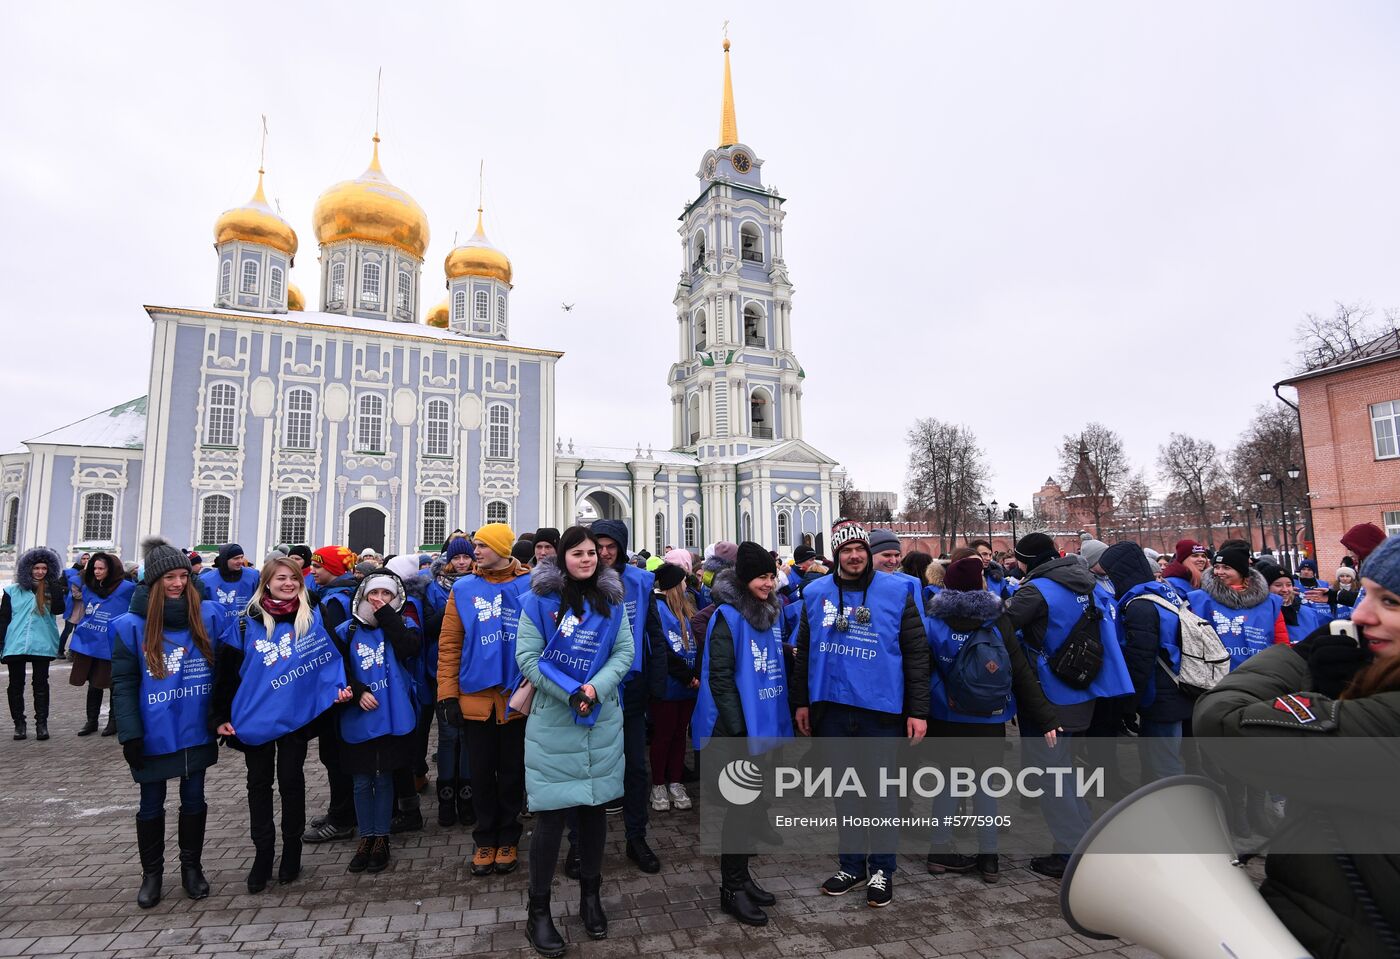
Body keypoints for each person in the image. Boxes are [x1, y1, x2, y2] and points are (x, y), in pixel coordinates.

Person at [1192, 534, 1400, 958]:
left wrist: (1301, 656)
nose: (1359, 614)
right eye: (1366, 594)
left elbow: (1220, 720)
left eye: (1390, 602)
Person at [792, 519, 930, 907]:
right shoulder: (815, 592)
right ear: (836, 554)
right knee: (845, 792)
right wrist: (801, 702)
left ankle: (882, 868)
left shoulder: (897, 590)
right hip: (833, 708)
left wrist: (918, 710)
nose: (853, 556)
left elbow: (917, 654)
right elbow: (804, 652)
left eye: (859, 549)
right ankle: (851, 865)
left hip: (881, 710)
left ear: (868, 552)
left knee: (882, 794)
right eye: (845, 550)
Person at [515, 526, 634, 956]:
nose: (587, 559)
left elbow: (624, 654)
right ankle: (539, 912)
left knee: (594, 811)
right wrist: (568, 691)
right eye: (578, 553)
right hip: (555, 721)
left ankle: (590, 896)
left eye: (593, 554)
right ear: (562, 557)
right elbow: (528, 658)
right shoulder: (539, 603)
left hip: (599, 718)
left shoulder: (612, 603)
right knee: (550, 818)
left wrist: (594, 690)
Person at [212, 557, 350, 891]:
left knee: (291, 781)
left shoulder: (313, 618)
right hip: (254, 717)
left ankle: (291, 852)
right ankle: (263, 855)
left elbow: (333, 658)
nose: (288, 584)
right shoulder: (246, 622)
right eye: (280, 579)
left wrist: (341, 688)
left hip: (295, 716)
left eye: (293, 579)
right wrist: (219, 717)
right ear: (266, 583)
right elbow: (226, 675)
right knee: (258, 785)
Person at [1002, 532, 1134, 879]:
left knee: (1052, 777)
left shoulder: (1035, 590)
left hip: (1049, 695)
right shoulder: (1089, 584)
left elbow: (1002, 627)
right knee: (1069, 771)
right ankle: (1087, 839)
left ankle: (1070, 852)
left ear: (1026, 561)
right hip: (1085, 687)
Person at [923, 556, 1058, 884]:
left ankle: (940, 851)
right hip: (989, 717)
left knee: (949, 784)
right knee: (986, 786)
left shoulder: (934, 620)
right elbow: (1020, 671)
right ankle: (989, 857)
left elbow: (921, 670)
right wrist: (1045, 718)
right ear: (981, 584)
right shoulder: (997, 619)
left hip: (947, 715)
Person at [110, 537, 223, 908]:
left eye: (182, 576)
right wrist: (130, 733)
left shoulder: (206, 615)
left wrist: (222, 712)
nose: (177, 584)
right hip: (155, 728)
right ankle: (152, 875)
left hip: (195, 723)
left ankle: (192, 868)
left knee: (193, 799)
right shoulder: (130, 625)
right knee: (151, 804)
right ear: (152, 583)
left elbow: (228, 667)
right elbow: (124, 682)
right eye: (169, 578)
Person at [692, 542, 792, 925]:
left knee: (752, 806)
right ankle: (730, 889)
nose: (769, 583)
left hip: (762, 723)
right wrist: (740, 730)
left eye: (771, 576)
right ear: (745, 578)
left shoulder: (768, 611)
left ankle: (743, 878)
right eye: (762, 577)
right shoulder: (727, 617)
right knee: (739, 809)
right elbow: (720, 678)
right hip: (738, 731)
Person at [436, 522, 532, 877]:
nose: (476, 551)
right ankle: (484, 839)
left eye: (483, 545)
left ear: (503, 549)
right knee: (479, 774)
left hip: (516, 700)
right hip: (474, 698)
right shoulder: (462, 589)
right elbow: (449, 646)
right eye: (475, 545)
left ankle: (508, 836)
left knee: (511, 773)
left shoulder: (529, 586)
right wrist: (446, 695)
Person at [333, 570, 421, 874]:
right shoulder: (346, 630)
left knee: (383, 777)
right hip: (360, 713)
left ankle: (381, 837)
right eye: (374, 594)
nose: (380, 600)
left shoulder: (404, 625)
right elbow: (336, 669)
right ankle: (365, 837)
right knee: (361, 780)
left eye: (387, 595)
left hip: (392, 713)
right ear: (362, 596)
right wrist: (357, 691)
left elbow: (410, 649)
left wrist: (387, 617)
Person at [588, 519, 662, 873]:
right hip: (591, 690)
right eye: (598, 547)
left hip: (631, 689)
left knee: (634, 767)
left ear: (620, 548)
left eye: (610, 547)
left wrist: (656, 681)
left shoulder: (639, 582)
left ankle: (636, 837)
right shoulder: (579, 583)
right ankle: (580, 844)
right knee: (589, 768)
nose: (604, 554)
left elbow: (653, 632)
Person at [1101, 542, 1194, 783]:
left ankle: (1180, 814)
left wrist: (1129, 705)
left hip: (1161, 695)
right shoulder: (1163, 593)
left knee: (1165, 765)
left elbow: (1140, 660)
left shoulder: (1140, 605)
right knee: (1162, 760)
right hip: (1177, 688)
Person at [301, 545, 361, 845]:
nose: (314, 571)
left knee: (335, 755)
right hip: (341, 687)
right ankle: (339, 811)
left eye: (320, 567)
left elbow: (332, 648)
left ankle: (342, 818)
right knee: (335, 754)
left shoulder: (336, 601)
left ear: (335, 570)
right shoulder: (338, 594)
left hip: (336, 689)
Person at [426, 535, 475, 828]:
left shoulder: (480, 586)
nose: (461, 562)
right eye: (456, 558)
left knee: (467, 737)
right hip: (442, 668)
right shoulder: (434, 590)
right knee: (447, 737)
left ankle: (467, 796)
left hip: (471, 671)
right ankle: (446, 797)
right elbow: (429, 628)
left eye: (465, 557)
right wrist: (456, 610)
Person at [645, 562, 699, 812]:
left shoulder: (686, 610)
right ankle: (658, 784)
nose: (687, 585)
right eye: (683, 582)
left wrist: (695, 675)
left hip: (688, 687)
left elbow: (696, 644)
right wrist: (686, 675)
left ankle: (676, 782)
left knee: (679, 736)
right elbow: (661, 649)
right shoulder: (656, 608)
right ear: (674, 586)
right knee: (663, 736)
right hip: (667, 685)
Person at [67, 551, 135, 736]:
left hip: (114, 643)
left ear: (111, 569)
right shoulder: (89, 588)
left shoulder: (127, 589)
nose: (97, 572)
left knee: (114, 683)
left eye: (101, 568)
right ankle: (91, 720)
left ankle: (114, 721)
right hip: (91, 643)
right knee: (93, 683)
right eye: (94, 568)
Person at [1, 546, 65, 741]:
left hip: (41, 643)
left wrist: (54, 588)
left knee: (40, 684)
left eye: (44, 568)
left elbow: (59, 610)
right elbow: (3, 619)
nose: (40, 572)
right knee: (15, 685)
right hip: (16, 643)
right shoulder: (12, 591)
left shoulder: (51, 590)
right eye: (36, 568)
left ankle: (41, 724)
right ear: (28, 569)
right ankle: (19, 724)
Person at [1187, 547, 1288, 669]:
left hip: (1262, 671)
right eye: (1217, 567)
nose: (1219, 572)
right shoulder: (1200, 600)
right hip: (1217, 673)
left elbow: (1281, 641)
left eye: (1226, 567)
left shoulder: (1270, 602)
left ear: (1241, 571)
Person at [1256, 559, 1330, 642]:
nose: (1285, 589)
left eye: (1289, 585)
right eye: (1278, 585)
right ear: (1266, 588)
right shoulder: (1259, 615)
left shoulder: (1309, 614)